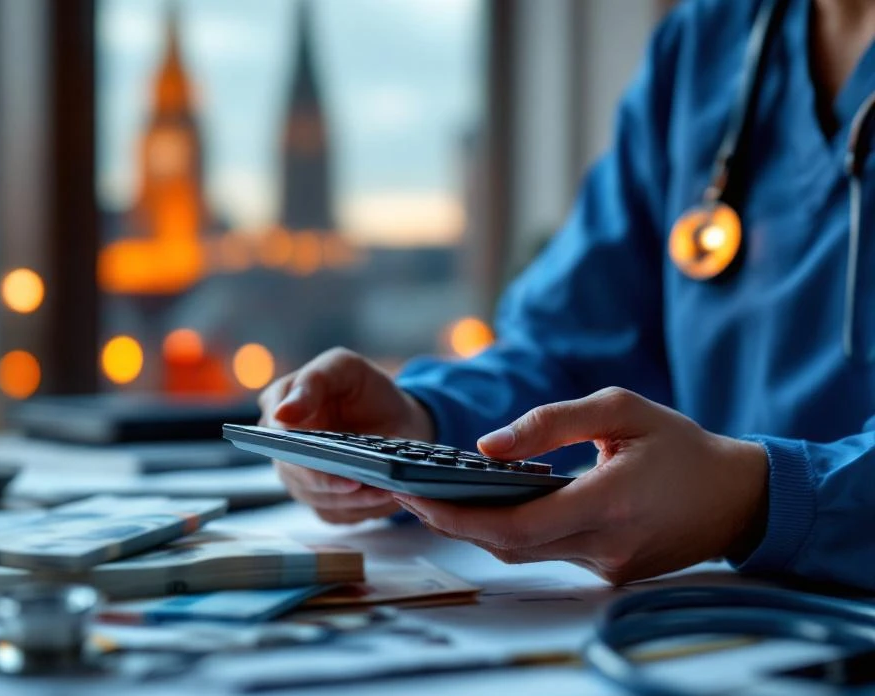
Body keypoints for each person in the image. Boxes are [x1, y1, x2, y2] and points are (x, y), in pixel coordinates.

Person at [258, 0, 875, 589]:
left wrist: (762, 500)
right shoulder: (705, 48)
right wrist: (423, 423)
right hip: (722, 616)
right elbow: (571, 347)